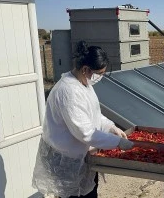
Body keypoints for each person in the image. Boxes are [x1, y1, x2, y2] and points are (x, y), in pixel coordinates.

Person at [32, 41, 134, 198]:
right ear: (86, 69)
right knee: (73, 195)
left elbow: (93, 114)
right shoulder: (68, 91)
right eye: (99, 74)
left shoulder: (83, 84)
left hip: (82, 157)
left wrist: (110, 127)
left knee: (88, 192)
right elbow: (85, 132)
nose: (99, 78)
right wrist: (117, 142)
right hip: (66, 162)